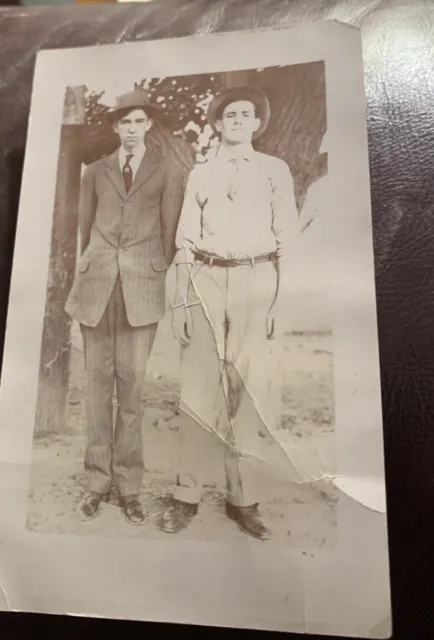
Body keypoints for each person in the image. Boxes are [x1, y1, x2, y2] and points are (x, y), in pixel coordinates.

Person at [160, 85, 298, 540]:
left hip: (256, 281)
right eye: (229, 114)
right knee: (199, 390)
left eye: (247, 113)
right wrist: (181, 301)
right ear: (218, 123)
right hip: (206, 279)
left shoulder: (275, 171)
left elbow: (288, 241)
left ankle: (244, 500)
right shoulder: (201, 174)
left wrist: (280, 302)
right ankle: (186, 496)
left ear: (258, 122)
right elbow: (185, 241)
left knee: (248, 392)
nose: (238, 119)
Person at [65, 90, 185, 524]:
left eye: (139, 121)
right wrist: (93, 269)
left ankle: (129, 487)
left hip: (141, 289)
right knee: (97, 390)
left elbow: (170, 233)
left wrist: (147, 272)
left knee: (131, 390)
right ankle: (97, 484)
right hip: (96, 288)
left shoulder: (168, 169)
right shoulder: (94, 172)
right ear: (115, 127)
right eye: (125, 123)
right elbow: (85, 233)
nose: (132, 129)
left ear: (148, 124)